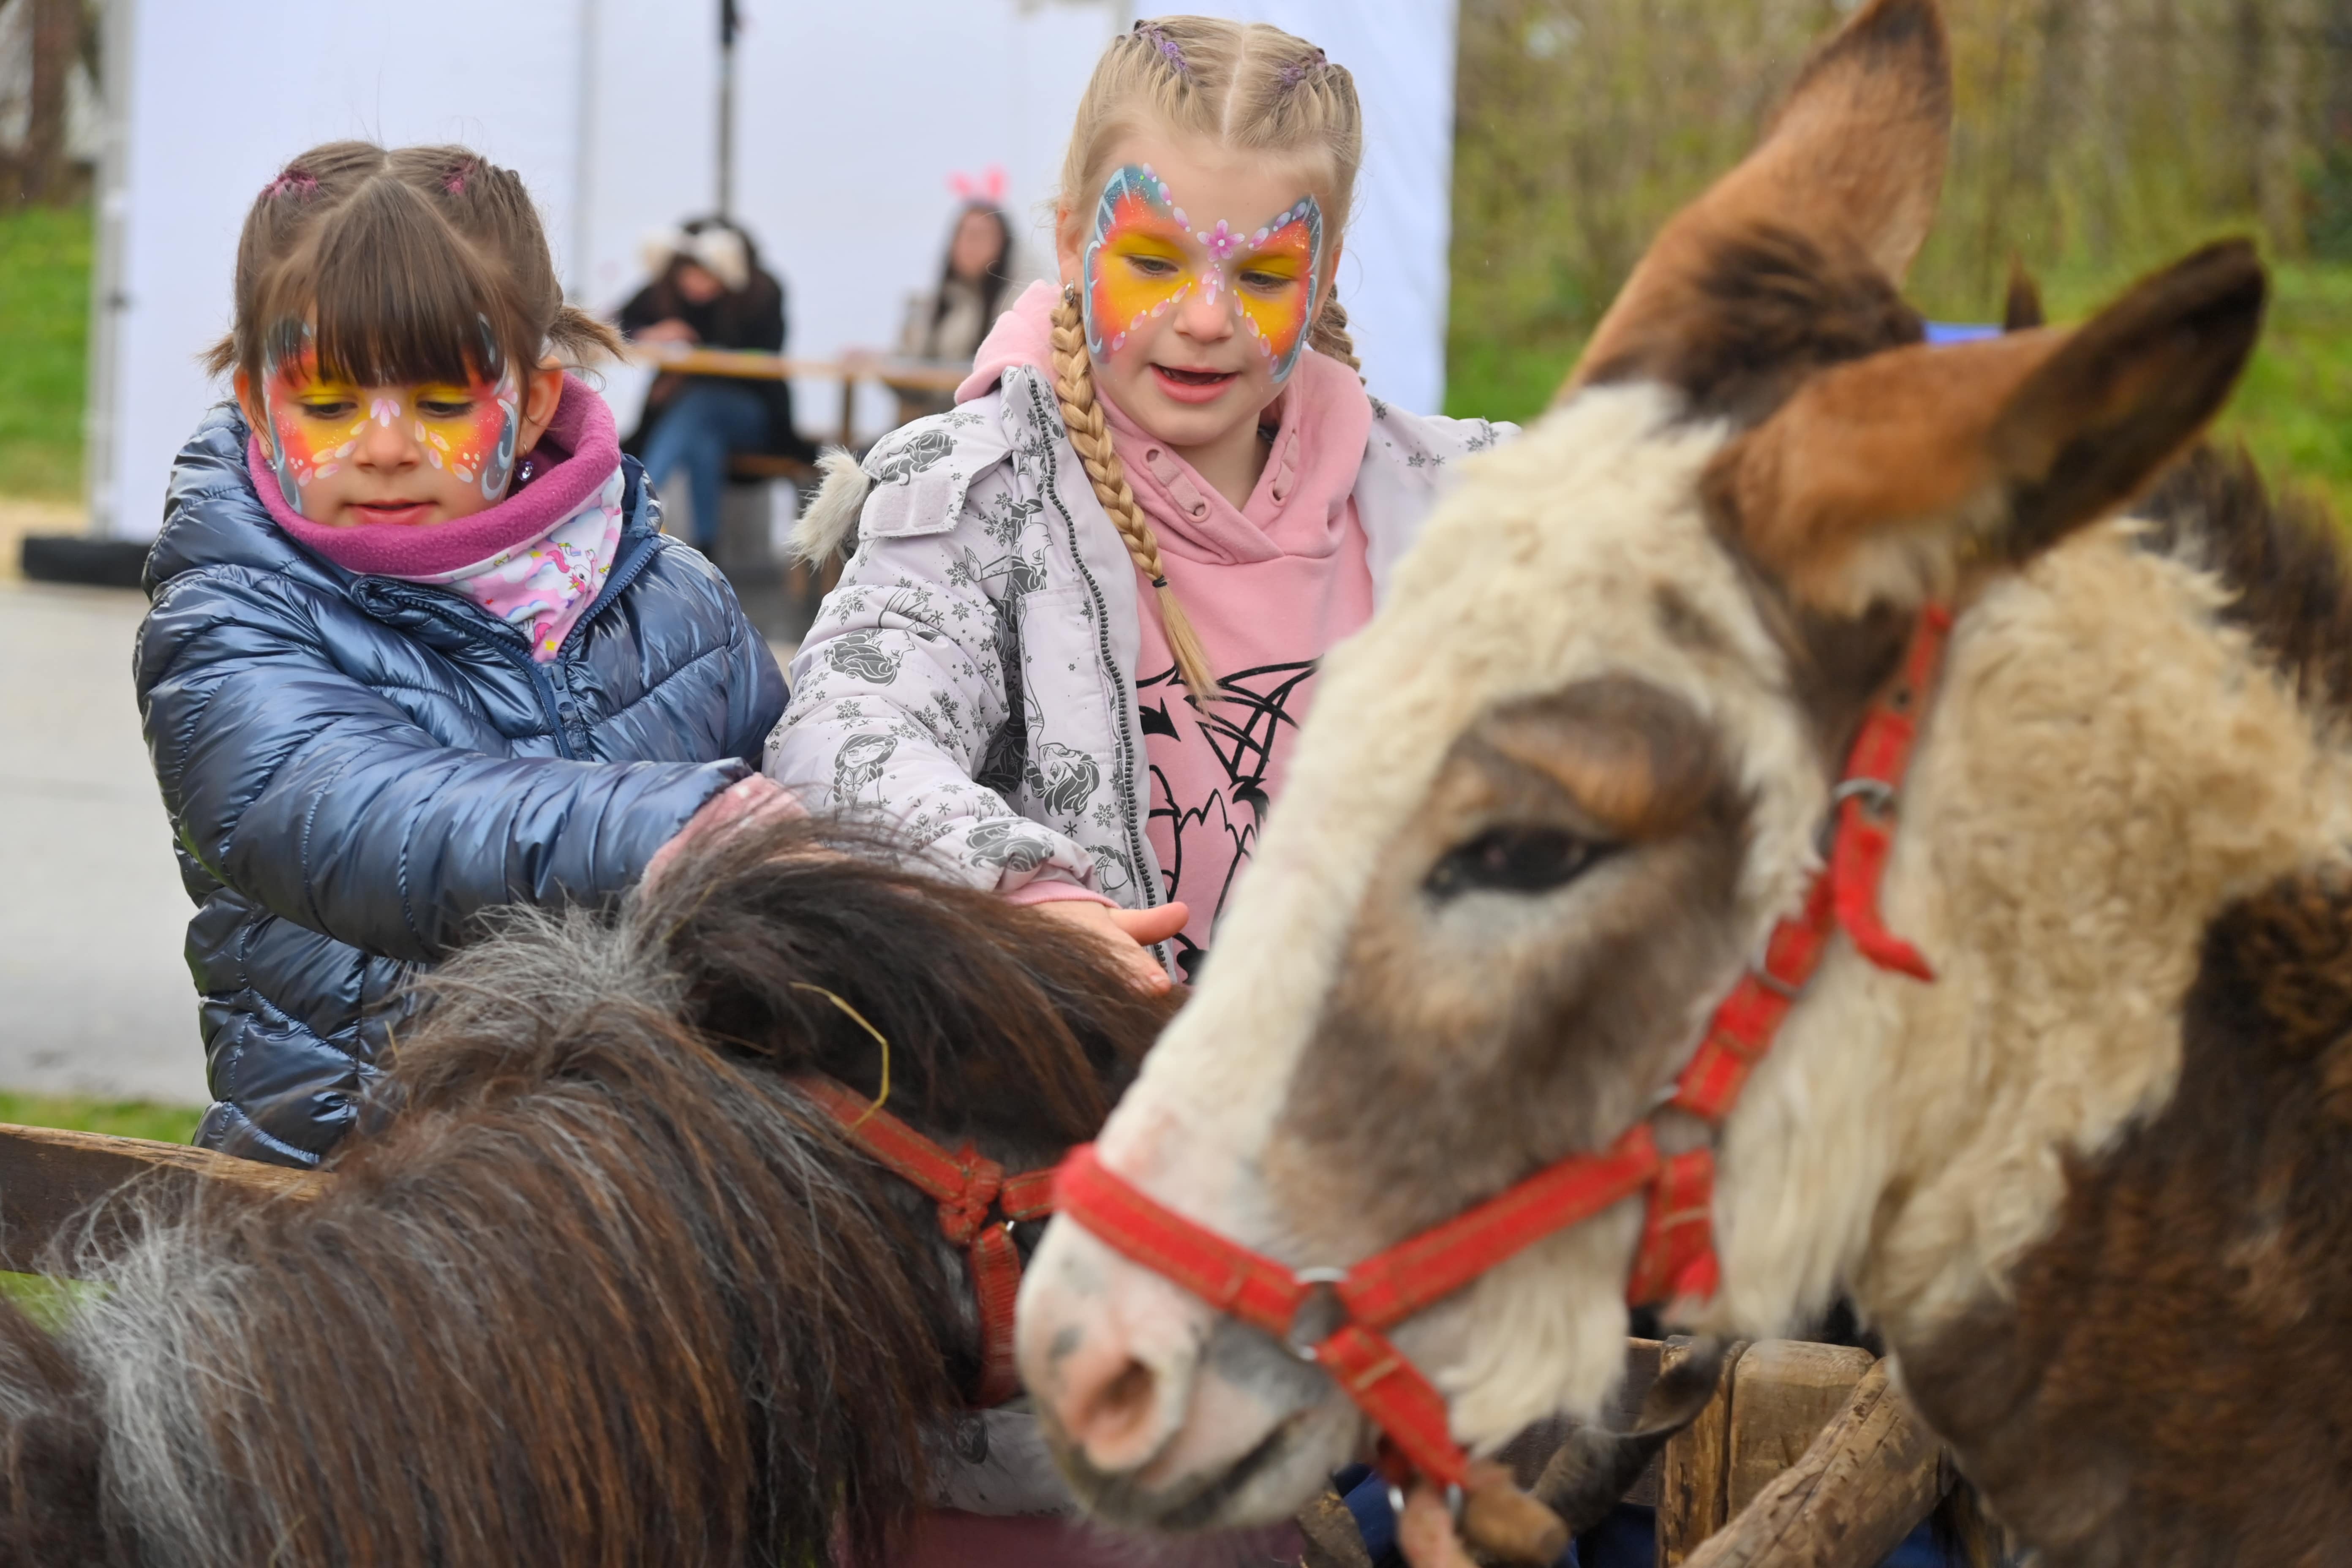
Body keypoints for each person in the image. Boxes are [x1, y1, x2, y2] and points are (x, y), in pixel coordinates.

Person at [766, 17, 1512, 995]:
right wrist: (1024, 896)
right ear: (1072, 237)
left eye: (1261, 274)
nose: (1206, 318)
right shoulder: (977, 497)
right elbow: (837, 735)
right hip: (1092, 1110)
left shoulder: (1463, 504)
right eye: (1155, 263)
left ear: (1323, 274)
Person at [136, 142, 792, 1168]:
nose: (386, 445)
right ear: (260, 407)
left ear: (531, 401)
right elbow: (364, 814)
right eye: (328, 405)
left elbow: (815, 837)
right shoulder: (231, 621)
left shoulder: (682, 605)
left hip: (645, 1223)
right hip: (355, 1224)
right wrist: (686, 827)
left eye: (442, 404)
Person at [618, 218, 816, 548]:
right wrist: (652, 333)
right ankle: (706, 550)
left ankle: (635, 505)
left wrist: (693, 368)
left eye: (706, 272)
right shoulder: (665, 295)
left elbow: (766, 356)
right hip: (697, 418)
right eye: (687, 273)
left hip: (756, 416)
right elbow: (620, 323)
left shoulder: (761, 292)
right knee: (702, 440)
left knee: (700, 403)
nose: (696, 282)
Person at [888, 196, 1021, 423]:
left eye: (981, 237)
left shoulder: (1013, 307)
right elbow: (906, 367)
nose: (971, 245)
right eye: (965, 234)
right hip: (924, 422)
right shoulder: (933, 302)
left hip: (982, 427)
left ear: (1003, 246)